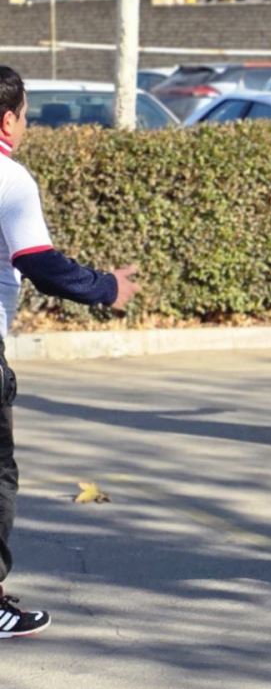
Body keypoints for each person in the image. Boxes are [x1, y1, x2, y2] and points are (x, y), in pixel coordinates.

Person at [0, 67, 139, 636]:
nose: (26, 126)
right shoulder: (10, 179)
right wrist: (107, 288)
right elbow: (40, 262)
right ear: (7, 120)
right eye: (25, 116)